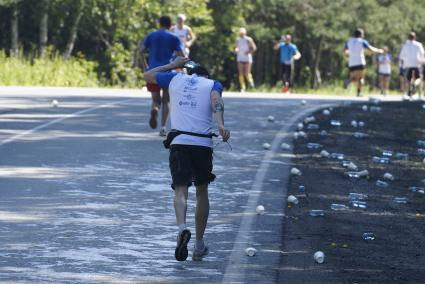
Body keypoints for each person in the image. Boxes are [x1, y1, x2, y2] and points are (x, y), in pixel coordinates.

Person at [144, 56, 231, 262]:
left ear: (189, 73)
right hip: (202, 144)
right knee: (202, 191)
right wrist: (220, 125)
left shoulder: (175, 79)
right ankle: (199, 245)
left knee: (181, 188)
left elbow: (147, 75)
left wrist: (172, 65)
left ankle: (182, 228)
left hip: (179, 142)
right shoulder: (212, 84)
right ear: (205, 75)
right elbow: (216, 102)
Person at [139, 16, 184, 136]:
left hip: (152, 71)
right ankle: (163, 127)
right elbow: (181, 55)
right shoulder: (174, 37)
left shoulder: (151, 35)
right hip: (168, 73)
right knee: (166, 100)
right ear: (170, 25)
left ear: (159, 24)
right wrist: (183, 68)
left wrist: (145, 66)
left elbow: (141, 51)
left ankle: (155, 109)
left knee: (155, 100)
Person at [344, 28, 383, 97]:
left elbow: (345, 51)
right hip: (360, 61)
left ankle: (348, 81)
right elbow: (371, 49)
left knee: (354, 77)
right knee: (361, 78)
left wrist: (348, 54)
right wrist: (379, 50)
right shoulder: (362, 41)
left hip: (351, 62)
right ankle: (358, 93)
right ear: (361, 35)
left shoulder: (349, 41)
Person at [399, 32, 425, 97]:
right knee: (418, 78)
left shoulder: (405, 45)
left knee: (408, 79)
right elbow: (422, 53)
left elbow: (401, 56)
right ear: (415, 37)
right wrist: (421, 60)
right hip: (416, 64)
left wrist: (403, 63)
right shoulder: (418, 45)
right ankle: (414, 85)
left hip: (407, 65)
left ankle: (409, 90)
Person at [235, 27, 256, 92]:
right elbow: (236, 47)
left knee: (247, 73)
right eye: (241, 33)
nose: (241, 34)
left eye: (243, 33)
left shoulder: (248, 39)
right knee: (241, 73)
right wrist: (236, 49)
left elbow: (254, 48)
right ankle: (243, 87)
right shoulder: (237, 40)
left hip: (247, 58)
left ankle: (250, 82)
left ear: (245, 33)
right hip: (240, 58)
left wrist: (249, 52)